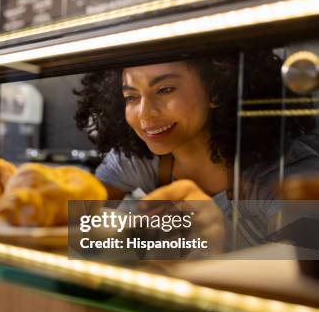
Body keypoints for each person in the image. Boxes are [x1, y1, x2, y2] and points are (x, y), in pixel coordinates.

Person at [74, 50, 319, 251]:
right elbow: (76, 226)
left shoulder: (284, 172)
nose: (145, 113)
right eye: (131, 97)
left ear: (215, 90)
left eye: (164, 90)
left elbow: (304, 269)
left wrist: (216, 241)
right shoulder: (141, 159)